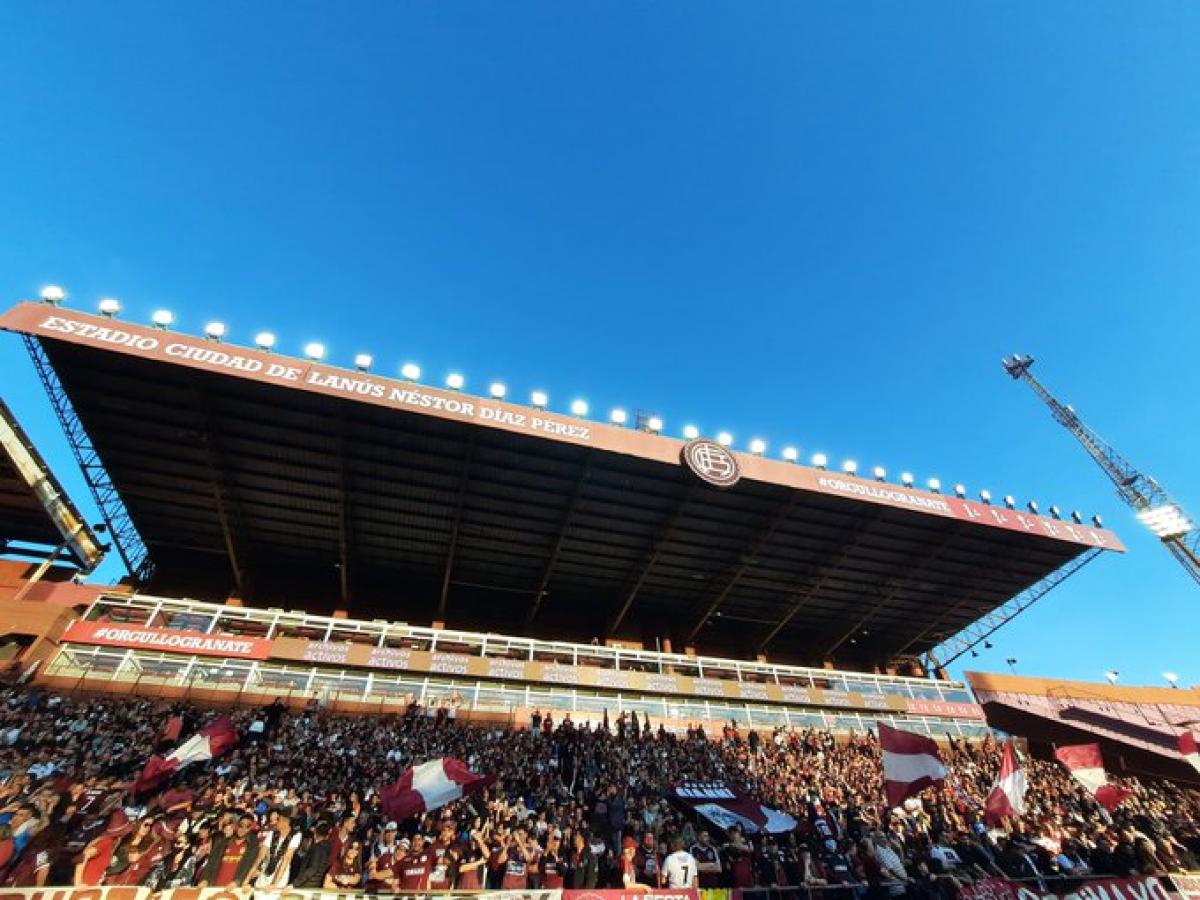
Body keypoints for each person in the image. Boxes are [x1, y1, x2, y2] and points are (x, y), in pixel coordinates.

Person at [200, 815, 260, 888]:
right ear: (236, 826)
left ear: (251, 828)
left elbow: (248, 867)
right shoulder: (224, 843)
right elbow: (212, 862)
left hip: (234, 888)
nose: (243, 829)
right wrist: (205, 879)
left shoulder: (252, 846)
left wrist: (237, 882)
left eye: (247, 826)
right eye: (241, 825)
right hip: (214, 886)